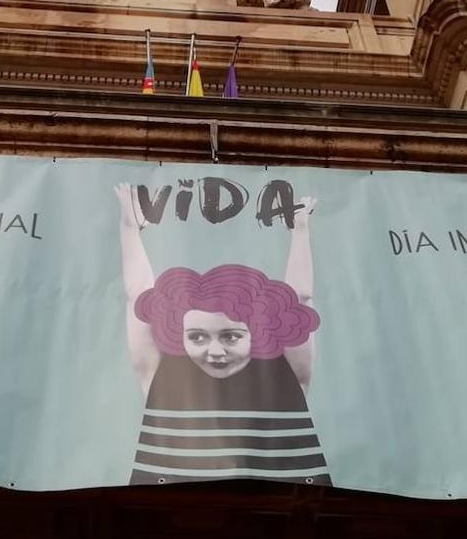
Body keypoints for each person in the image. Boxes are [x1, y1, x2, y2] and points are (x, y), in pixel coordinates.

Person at [112, 183, 329, 485]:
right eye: (198, 337)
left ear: (257, 334)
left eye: (231, 336)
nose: (215, 351)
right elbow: (138, 298)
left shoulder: (285, 370)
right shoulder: (163, 373)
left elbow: (301, 297)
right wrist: (129, 230)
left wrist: (301, 232)